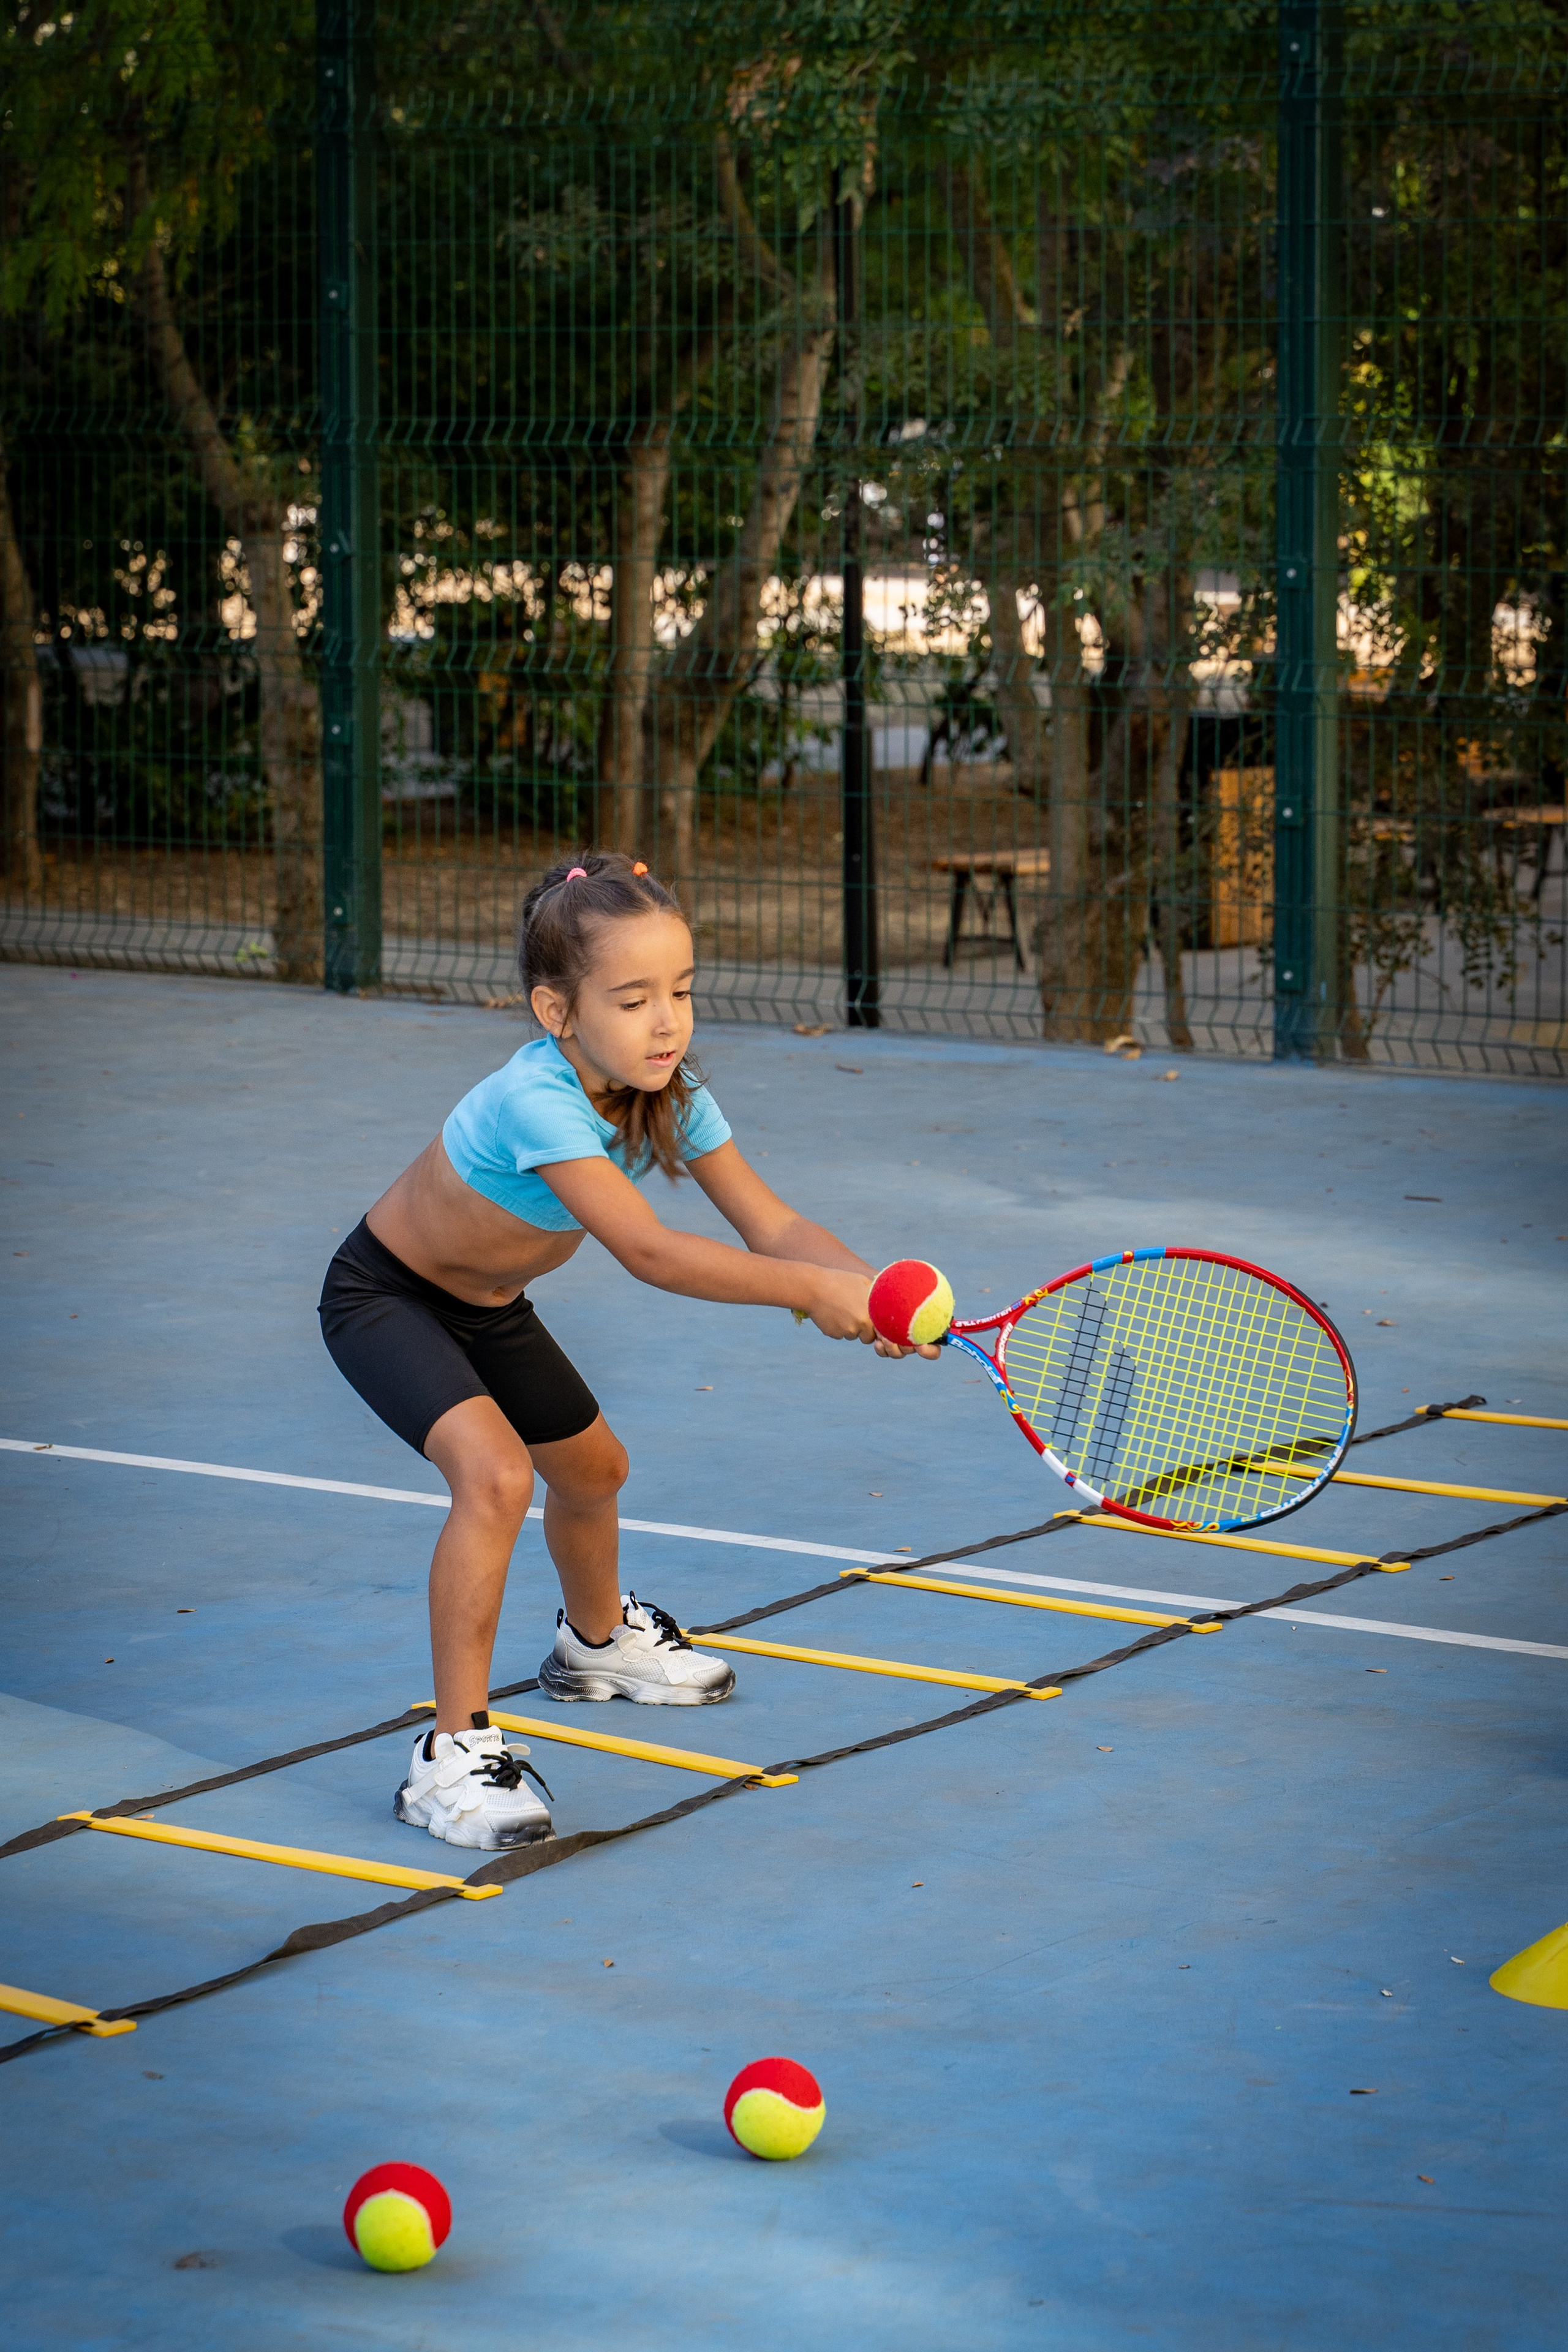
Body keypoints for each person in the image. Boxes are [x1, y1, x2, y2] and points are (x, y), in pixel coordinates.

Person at [319, 851, 931, 1852]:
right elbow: (648, 1252)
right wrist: (812, 1293)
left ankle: (595, 1645)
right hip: (386, 1297)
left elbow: (771, 1226)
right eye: (634, 998)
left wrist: (867, 1291)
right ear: (558, 1012)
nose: (667, 1022)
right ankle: (453, 1752)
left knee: (595, 1469)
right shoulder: (539, 1099)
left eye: (681, 992)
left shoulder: (668, 1091)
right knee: (496, 1479)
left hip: (489, 1302)